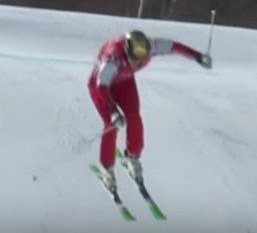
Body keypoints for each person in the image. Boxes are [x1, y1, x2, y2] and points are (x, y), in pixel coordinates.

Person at [87, 29, 212, 190]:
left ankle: (132, 157)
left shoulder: (151, 46)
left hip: (125, 83)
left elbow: (174, 47)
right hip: (102, 88)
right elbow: (101, 84)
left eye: (140, 59)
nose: (136, 62)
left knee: (134, 118)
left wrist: (198, 56)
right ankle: (107, 169)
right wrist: (113, 111)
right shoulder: (113, 57)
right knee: (111, 126)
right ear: (126, 51)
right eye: (133, 58)